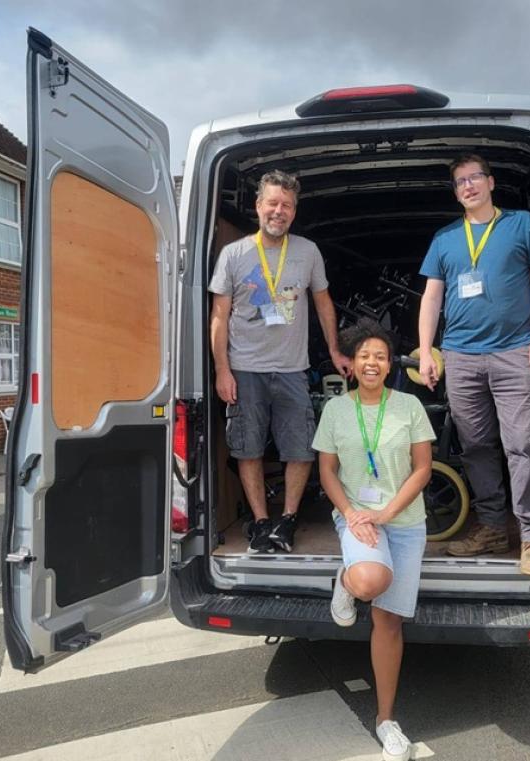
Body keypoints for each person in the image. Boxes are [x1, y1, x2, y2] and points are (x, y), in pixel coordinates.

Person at [417, 154, 530, 576]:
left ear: (491, 182)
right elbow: (432, 297)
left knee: (524, 444)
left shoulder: (521, 223)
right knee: (476, 446)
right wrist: (426, 350)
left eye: (475, 178)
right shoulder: (444, 238)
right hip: (460, 355)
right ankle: (494, 527)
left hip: (516, 351)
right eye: (460, 181)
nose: (468, 186)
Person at [209, 170, 350, 554]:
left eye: (286, 205)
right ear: (258, 206)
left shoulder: (307, 251)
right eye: (272, 203)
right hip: (245, 369)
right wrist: (222, 369)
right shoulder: (234, 254)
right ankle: (259, 521)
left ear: (294, 211)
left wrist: (335, 350)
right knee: (248, 448)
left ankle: (287, 520)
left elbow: (323, 303)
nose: (279, 211)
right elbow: (219, 316)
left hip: (292, 369)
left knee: (301, 448)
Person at [313, 318, 434, 761]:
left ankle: (386, 721)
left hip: (403, 521)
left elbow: (423, 468)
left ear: (390, 366)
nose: (372, 362)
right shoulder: (335, 410)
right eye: (364, 355)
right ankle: (346, 581)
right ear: (352, 362)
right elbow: (327, 470)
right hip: (357, 518)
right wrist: (350, 513)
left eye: (380, 356)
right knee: (368, 582)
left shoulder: (408, 406)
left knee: (388, 623)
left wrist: (386, 512)